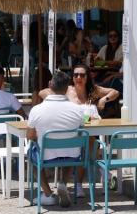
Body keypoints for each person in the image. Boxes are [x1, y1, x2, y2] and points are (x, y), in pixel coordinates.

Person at [27, 70, 84, 207]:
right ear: (67, 88)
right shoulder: (78, 110)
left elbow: (30, 135)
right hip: (72, 155)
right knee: (71, 151)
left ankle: (47, 194)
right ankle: (63, 183)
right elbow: (81, 132)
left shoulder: (36, 110)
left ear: (49, 85)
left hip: (46, 155)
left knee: (31, 157)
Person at [66, 64, 119, 196]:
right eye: (76, 75)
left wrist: (103, 99)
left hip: (88, 131)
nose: (79, 77)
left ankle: (79, 186)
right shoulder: (67, 91)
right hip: (70, 132)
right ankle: (103, 171)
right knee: (89, 143)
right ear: (72, 77)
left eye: (82, 75)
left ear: (87, 77)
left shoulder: (93, 91)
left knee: (87, 143)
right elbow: (43, 92)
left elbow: (115, 92)